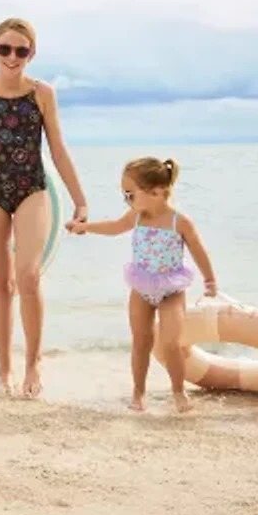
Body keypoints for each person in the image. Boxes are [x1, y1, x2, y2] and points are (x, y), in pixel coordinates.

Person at [0, 17, 89, 398]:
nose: (13, 57)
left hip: (31, 188)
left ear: (32, 54)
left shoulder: (43, 93)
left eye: (21, 50)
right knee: (3, 283)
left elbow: (57, 148)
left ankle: (33, 364)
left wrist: (80, 199)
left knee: (28, 277)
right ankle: (4, 370)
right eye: (5, 49)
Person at [66, 157, 217, 413]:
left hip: (172, 290)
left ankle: (178, 392)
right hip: (141, 287)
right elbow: (114, 227)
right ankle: (138, 392)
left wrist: (210, 280)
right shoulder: (136, 216)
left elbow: (198, 250)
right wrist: (86, 228)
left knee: (172, 343)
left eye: (130, 194)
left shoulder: (178, 221)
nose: (126, 199)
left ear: (156, 192)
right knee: (140, 341)